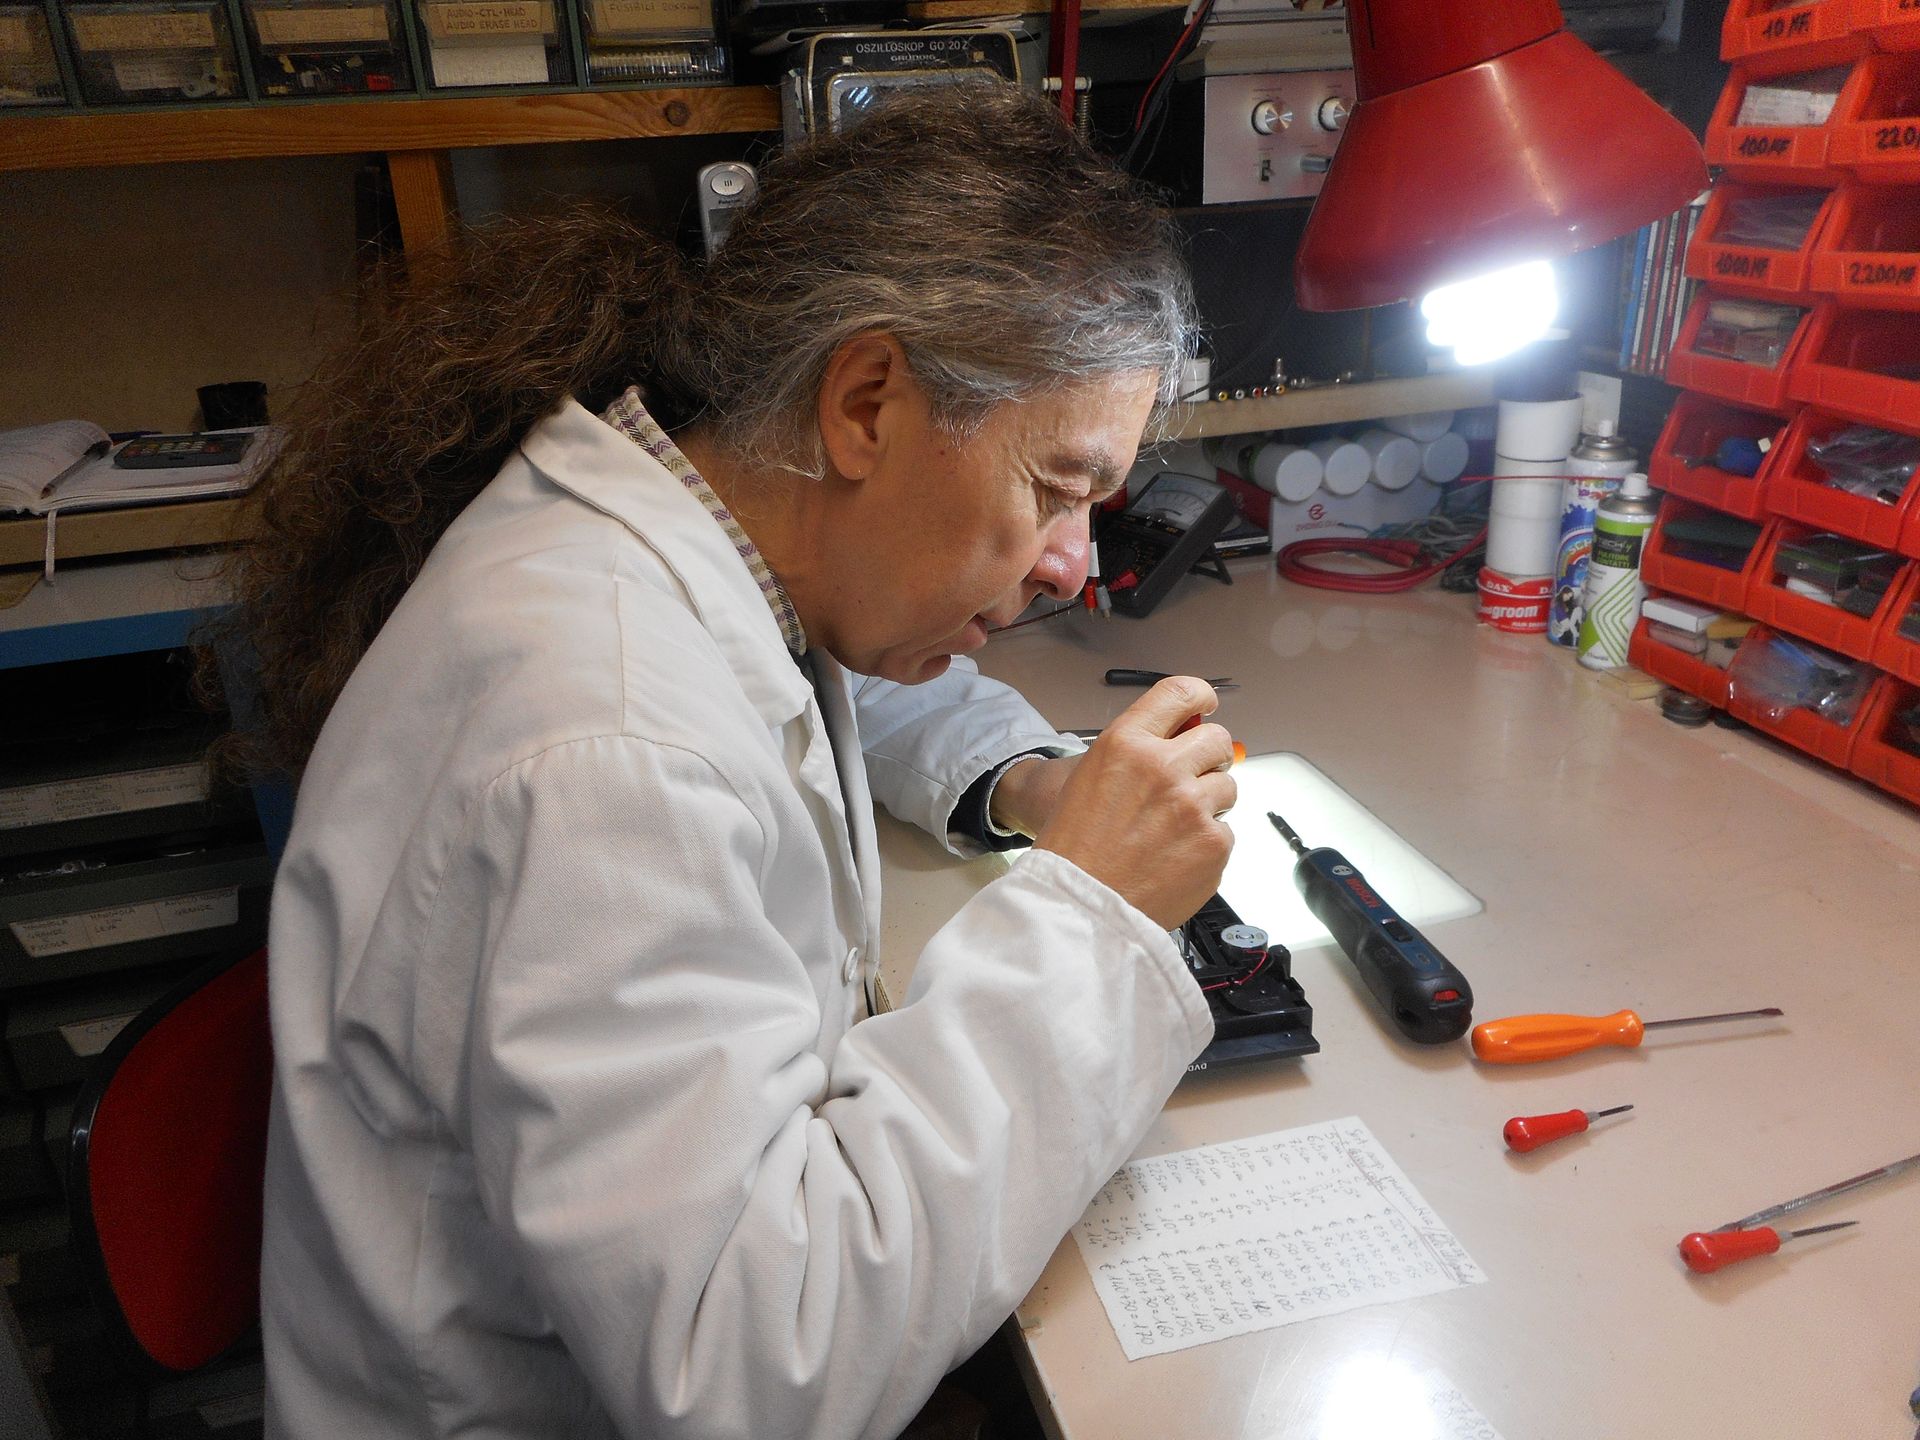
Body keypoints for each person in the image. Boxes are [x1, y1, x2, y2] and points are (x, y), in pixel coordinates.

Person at [230, 79, 1237, 1440]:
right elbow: (758, 1373)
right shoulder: (605, 751)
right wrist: (1093, 918)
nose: (1073, 563)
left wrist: (1027, 778)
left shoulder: (692, 532)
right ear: (867, 402)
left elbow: (831, 689)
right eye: (1056, 489)